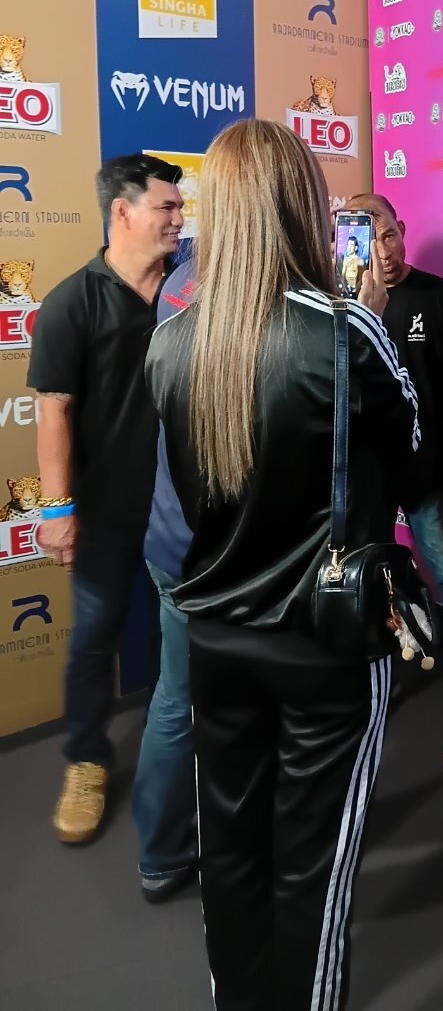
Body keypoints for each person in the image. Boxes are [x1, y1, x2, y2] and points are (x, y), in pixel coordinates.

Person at [146, 119, 418, 1011]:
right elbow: (415, 464)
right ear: (302, 206)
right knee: (314, 873)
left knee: (229, 855)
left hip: (218, 640)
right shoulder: (343, 332)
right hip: (326, 646)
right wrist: (370, 316)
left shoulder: (171, 341)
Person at [27, 153, 184, 845]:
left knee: (183, 640)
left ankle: (180, 748)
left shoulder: (193, 287)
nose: (179, 219)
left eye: (180, 207)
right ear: (122, 211)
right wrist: (58, 511)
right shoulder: (72, 302)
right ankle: (87, 760)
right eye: (166, 207)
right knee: (94, 640)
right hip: (104, 515)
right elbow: (54, 411)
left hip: (183, 511)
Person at [345, 192, 443, 711]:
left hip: (423, 468)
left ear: (402, 229)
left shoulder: (439, 298)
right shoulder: (337, 308)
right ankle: (375, 670)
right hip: (364, 476)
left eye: (389, 235)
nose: (383, 252)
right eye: (370, 242)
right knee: (363, 579)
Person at [131, 261, 198, 903]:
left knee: (177, 696)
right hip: (213, 553)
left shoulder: (182, 281)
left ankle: (163, 850)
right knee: (188, 698)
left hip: (172, 535)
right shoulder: (271, 293)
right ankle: (174, 849)